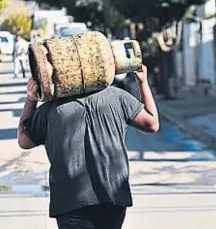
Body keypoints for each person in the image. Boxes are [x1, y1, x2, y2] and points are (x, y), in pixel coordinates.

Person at [18, 65, 159, 229]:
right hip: (113, 197)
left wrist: (31, 99)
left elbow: (24, 140)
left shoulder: (50, 109)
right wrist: (142, 82)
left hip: (70, 201)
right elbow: (153, 124)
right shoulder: (118, 97)